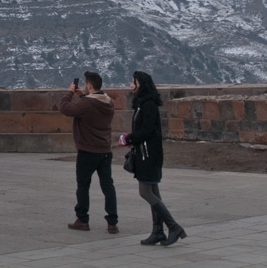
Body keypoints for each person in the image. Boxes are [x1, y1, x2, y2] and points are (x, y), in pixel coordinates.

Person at [120, 71, 186, 246]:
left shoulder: (147, 104)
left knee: (145, 192)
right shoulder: (142, 104)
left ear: (140, 84)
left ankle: (174, 227)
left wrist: (129, 138)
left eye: (133, 82)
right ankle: (158, 231)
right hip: (146, 153)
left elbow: (148, 131)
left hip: (148, 155)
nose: (131, 85)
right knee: (154, 192)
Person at [58, 70, 118, 234]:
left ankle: (82, 219)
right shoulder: (109, 102)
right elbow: (92, 105)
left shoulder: (86, 104)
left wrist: (70, 93)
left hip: (87, 150)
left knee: (83, 186)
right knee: (108, 186)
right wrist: (83, 95)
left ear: (89, 85)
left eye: (85, 84)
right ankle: (112, 221)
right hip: (105, 150)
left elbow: (65, 108)